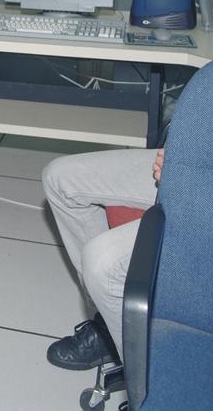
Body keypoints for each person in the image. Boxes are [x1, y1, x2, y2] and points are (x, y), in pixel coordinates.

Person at [41, 146, 165, 371]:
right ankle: (108, 325)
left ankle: (153, 382)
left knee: (102, 262)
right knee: (59, 178)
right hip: (190, 158)